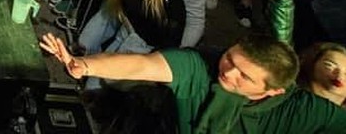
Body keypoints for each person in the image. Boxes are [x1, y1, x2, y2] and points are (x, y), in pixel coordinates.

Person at [40, 30, 346, 134]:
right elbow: (143, 65)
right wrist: (83, 64)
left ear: (274, 90)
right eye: (230, 58)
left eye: (245, 76)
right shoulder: (202, 65)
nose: (228, 72)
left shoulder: (301, 110)